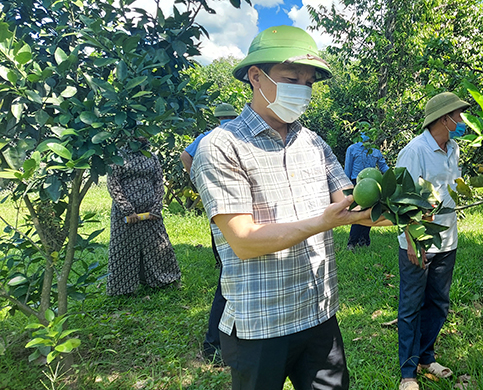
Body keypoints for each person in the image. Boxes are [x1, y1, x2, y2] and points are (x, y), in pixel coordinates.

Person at [191, 25, 382, 390]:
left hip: (318, 313)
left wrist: (404, 209)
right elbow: (244, 240)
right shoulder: (221, 147)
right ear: (256, 77)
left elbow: (348, 202)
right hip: (261, 323)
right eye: (292, 78)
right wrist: (322, 222)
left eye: (309, 82)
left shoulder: (313, 143)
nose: (302, 89)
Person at [394, 92, 470, 390]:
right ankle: (408, 372)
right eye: (460, 116)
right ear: (445, 118)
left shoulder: (454, 149)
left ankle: (427, 357)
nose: (464, 122)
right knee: (412, 305)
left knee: (438, 303)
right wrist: (414, 242)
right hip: (420, 241)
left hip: (447, 240)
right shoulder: (415, 151)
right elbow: (401, 200)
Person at [180, 103, 239, 366]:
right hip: (236, 210)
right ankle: (213, 344)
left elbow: (184, 155)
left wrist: (197, 177)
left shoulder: (206, 137)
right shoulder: (232, 137)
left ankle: (216, 343)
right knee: (229, 279)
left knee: (228, 271)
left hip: (220, 207)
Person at [107, 137, 181, 296]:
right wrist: (127, 209)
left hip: (151, 213)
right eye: (137, 134)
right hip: (125, 215)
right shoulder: (119, 157)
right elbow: (113, 184)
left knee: (159, 245)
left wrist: (156, 206)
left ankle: (165, 280)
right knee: (124, 250)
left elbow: (158, 182)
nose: (142, 138)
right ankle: (122, 290)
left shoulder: (151, 156)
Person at [343, 132, 389, 250]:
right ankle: (352, 242)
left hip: (373, 185)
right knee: (358, 213)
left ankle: (364, 241)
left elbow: (383, 167)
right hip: (357, 184)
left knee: (369, 213)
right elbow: (347, 170)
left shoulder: (375, 151)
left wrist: (394, 177)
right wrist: (347, 187)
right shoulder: (352, 149)